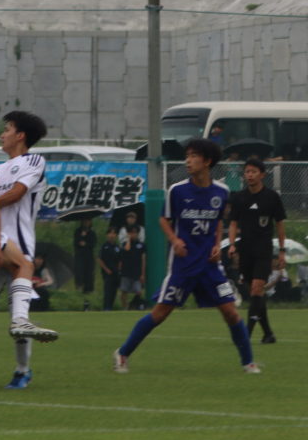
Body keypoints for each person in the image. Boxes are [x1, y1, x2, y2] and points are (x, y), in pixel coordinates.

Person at [113, 139, 259, 375]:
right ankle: (122, 353)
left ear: (207, 161)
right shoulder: (177, 190)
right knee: (160, 313)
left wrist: (216, 245)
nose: (187, 161)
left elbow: (217, 221)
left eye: (193, 156)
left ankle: (248, 362)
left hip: (210, 266)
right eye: (187, 156)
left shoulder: (221, 191)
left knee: (230, 311)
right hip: (184, 265)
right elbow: (163, 219)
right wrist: (175, 240)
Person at [0, 111, 58, 391]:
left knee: (16, 314)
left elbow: (16, 194)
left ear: (20, 135)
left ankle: (22, 370)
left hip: (17, 243)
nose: (2, 135)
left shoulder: (33, 161)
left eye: (7, 129)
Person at [227, 158, 286, 344]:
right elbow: (233, 223)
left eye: (253, 172)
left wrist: (282, 251)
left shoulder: (272, 197)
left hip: (263, 249)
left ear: (262, 175)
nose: (250, 175)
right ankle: (268, 334)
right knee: (256, 294)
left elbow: (280, 224)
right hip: (245, 249)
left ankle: (246, 334)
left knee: (256, 288)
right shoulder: (239, 197)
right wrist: (232, 244)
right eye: (247, 172)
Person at [118, 225, 146, 310]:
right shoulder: (125, 244)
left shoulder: (141, 245)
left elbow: (143, 259)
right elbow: (127, 249)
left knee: (138, 291)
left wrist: (142, 274)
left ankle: (135, 305)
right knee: (124, 291)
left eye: (135, 233)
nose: (133, 234)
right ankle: (124, 307)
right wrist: (128, 239)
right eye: (131, 233)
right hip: (126, 271)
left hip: (136, 271)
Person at [99, 227, 122, 311]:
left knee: (114, 291)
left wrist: (119, 268)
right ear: (107, 235)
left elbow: (120, 259)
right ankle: (106, 307)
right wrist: (106, 270)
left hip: (116, 272)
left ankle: (111, 307)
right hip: (107, 273)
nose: (112, 235)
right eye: (110, 233)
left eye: (114, 233)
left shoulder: (117, 247)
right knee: (108, 291)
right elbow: (100, 259)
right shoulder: (104, 246)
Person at [73, 217, 96, 304]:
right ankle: (78, 296)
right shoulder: (78, 231)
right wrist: (82, 236)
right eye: (85, 221)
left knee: (89, 277)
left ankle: (88, 297)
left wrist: (85, 243)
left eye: (88, 221)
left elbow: (92, 244)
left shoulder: (92, 233)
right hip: (79, 257)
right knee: (79, 275)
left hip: (89, 258)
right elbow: (76, 243)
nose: (86, 222)